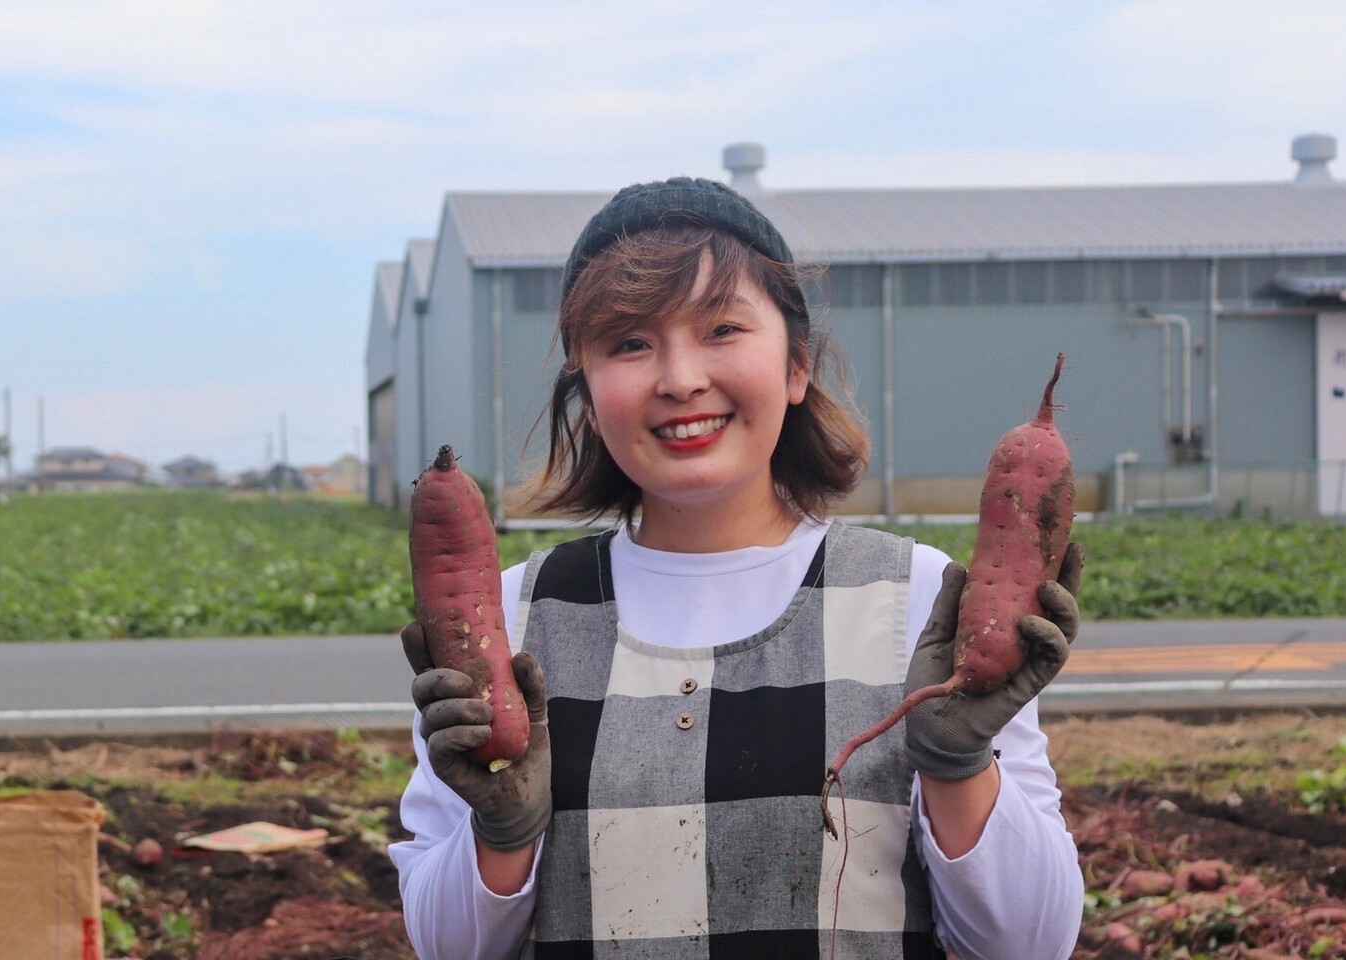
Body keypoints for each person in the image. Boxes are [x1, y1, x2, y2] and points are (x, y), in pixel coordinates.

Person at [389, 176, 1086, 960]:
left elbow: (1032, 943)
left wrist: (958, 765)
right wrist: (501, 831)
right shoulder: (507, 625)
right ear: (586, 392)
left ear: (797, 368)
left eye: (722, 328)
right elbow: (448, 948)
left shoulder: (925, 604)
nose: (681, 378)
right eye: (629, 342)